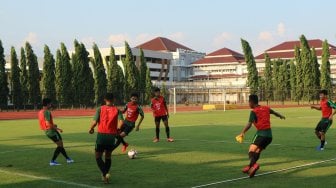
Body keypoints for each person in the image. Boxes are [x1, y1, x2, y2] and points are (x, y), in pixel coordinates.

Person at [237, 94, 285, 178]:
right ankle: (250, 167)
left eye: (248, 102)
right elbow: (274, 112)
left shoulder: (254, 111)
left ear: (251, 102)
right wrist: (280, 116)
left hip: (261, 134)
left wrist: (242, 132)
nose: (248, 104)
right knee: (257, 151)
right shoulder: (266, 108)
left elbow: (249, 124)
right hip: (269, 136)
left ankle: (254, 165)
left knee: (251, 151)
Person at [89, 93, 124, 184]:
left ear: (105, 99)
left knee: (98, 156)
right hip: (111, 137)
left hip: (101, 136)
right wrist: (118, 129)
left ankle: (105, 173)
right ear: (114, 99)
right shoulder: (117, 110)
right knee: (108, 156)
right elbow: (121, 122)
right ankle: (105, 178)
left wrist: (91, 128)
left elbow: (94, 122)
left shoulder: (100, 109)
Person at [38, 98, 74, 166]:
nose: (51, 105)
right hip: (51, 131)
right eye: (50, 103)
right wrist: (58, 128)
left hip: (48, 130)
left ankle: (68, 159)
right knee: (60, 145)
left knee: (61, 144)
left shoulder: (40, 112)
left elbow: (44, 123)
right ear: (48, 104)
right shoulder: (47, 112)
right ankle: (52, 161)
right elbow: (48, 124)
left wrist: (53, 125)